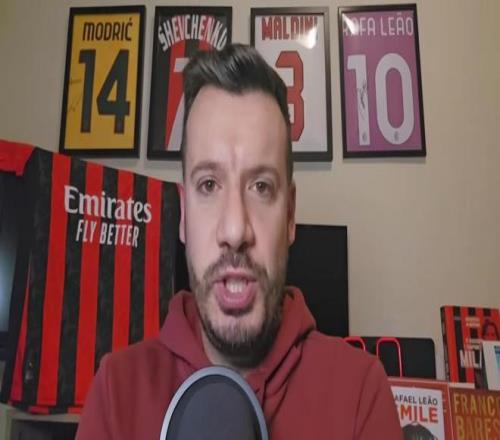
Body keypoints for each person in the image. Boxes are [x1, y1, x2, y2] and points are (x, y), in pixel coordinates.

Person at [76, 44, 402, 439]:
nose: (234, 230)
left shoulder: (361, 394)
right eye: (209, 185)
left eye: (261, 187)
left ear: (290, 215)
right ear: (184, 215)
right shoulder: (116, 392)